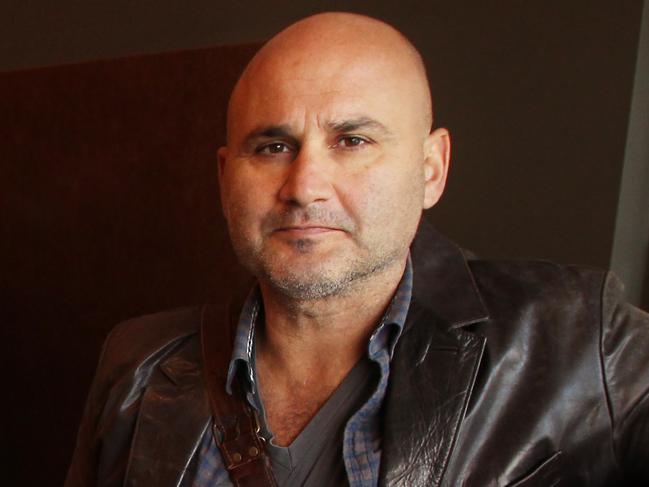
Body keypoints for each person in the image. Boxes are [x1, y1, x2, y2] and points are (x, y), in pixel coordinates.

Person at [65, 12, 649, 487]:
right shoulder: (137, 364)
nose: (303, 187)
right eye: (272, 146)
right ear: (224, 178)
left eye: (352, 140)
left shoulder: (580, 338)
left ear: (431, 169)